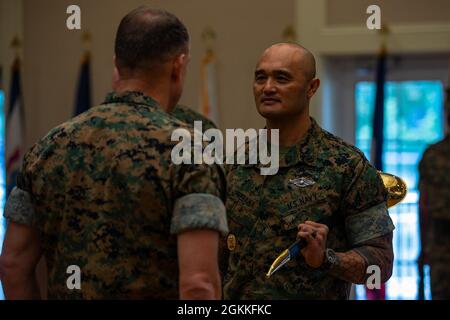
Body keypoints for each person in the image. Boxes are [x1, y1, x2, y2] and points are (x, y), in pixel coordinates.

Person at [0, 6, 228, 300]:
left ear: (116, 65)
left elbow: (12, 264)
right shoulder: (191, 151)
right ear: (178, 65)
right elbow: (199, 284)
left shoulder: (49, 145)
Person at [222, 43, 395, 299]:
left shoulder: (346, 165)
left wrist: (326, 258)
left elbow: (380, 263)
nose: (268, 87)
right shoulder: (234, 164)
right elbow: (215, 255)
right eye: (261, 77)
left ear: (311, 87)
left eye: (281, 78)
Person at [418, 96, 450, 300]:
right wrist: (423, 250)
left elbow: (423, 207)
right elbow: (423, 207)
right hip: (440, 246)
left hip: (439, 247)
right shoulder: (432, 155)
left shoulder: (433, 154)